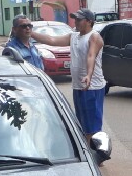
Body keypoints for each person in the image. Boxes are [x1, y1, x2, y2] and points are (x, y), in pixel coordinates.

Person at [31, 8, 105, 142]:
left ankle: (96, 156)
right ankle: (88, 154)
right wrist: (31, 34)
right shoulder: (74, 36)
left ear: (89, 22)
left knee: (92, 126)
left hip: (92, 87)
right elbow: (51, 40)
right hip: (78, 86)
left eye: (79, 19)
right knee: (81, 124)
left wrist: (89, 75)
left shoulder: (94, 37)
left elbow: (91, 56)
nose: (75, 21)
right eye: (74, 19)